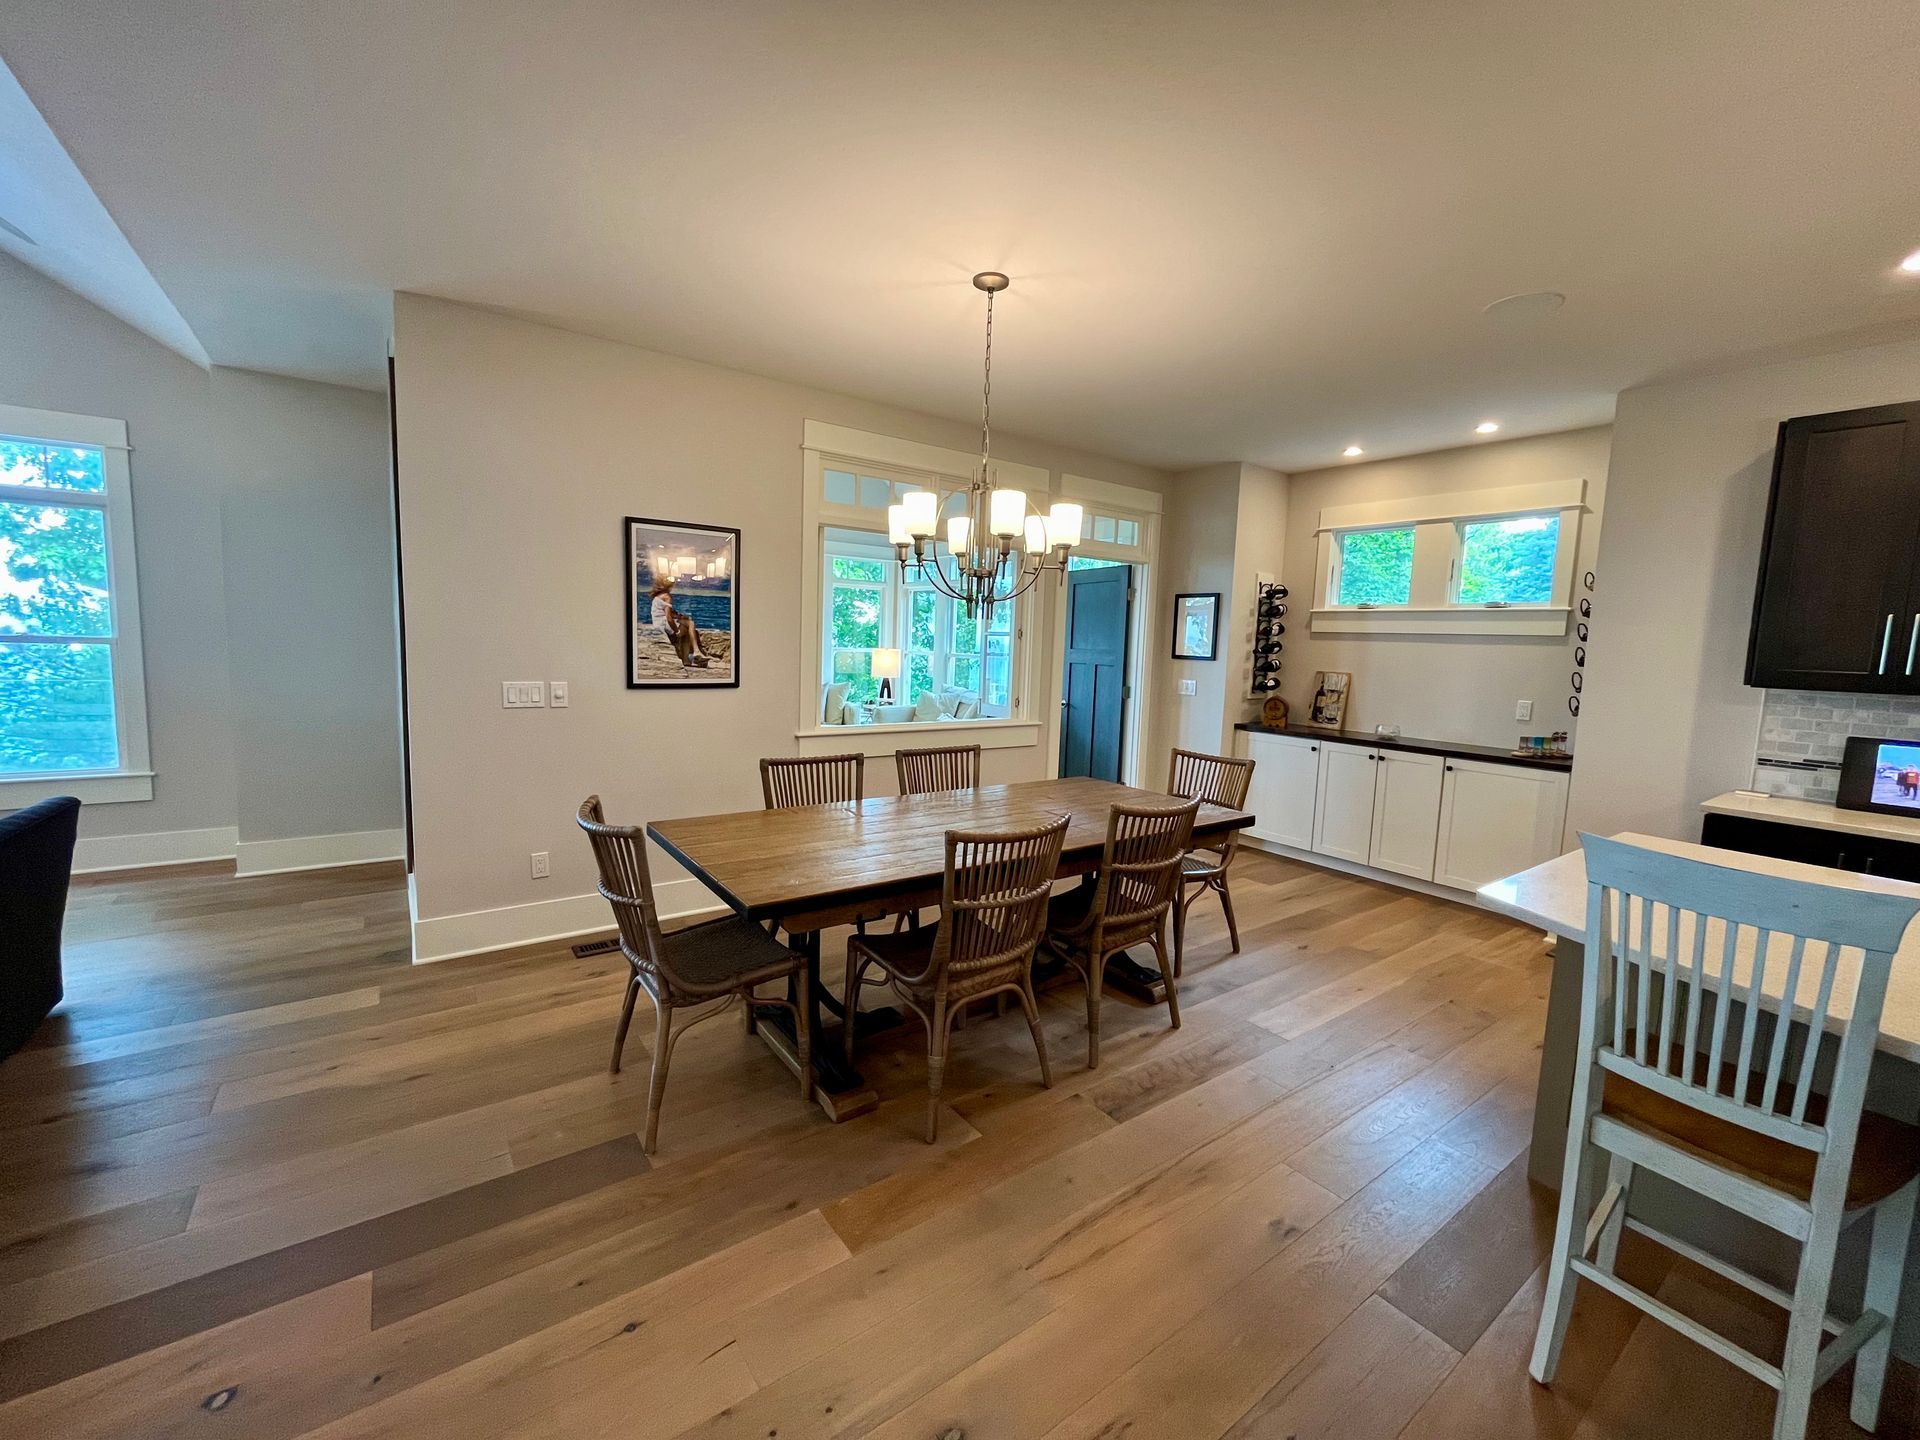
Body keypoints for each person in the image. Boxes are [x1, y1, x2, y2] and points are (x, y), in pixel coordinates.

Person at [649, 576, 710, 669]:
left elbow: (666, 613)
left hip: (658, 624)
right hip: (664, 624)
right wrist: (676, 630)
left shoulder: (658, 596)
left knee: (686, 630)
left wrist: (679, 616)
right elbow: (669, 618)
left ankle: (687, 660)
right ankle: (696, 651)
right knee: (690, 623)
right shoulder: (667, 596)